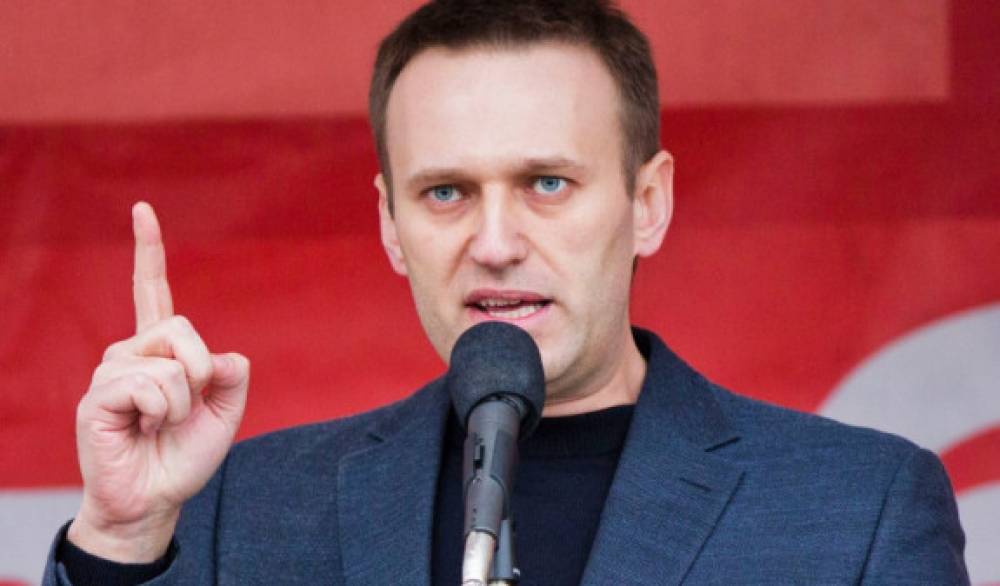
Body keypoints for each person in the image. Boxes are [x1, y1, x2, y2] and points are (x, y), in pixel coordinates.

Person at [44, 1, 969, 584]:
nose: (493, 244)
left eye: (547, 183)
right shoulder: (241, 505)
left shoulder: (861, 507)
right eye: (446, 193)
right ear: (390, 224)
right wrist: (122, 538)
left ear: (648, 204)